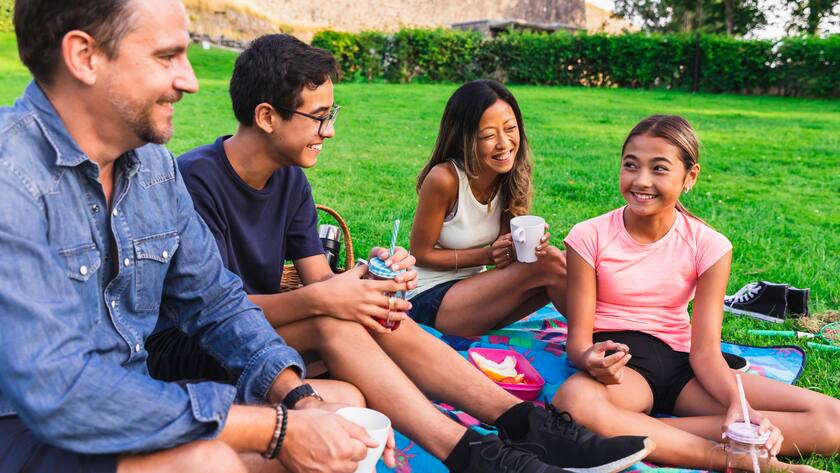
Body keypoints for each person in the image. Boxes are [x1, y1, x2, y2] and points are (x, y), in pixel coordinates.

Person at [146, 34, 656, 473]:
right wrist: (336, 301)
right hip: (188, 346)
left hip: (264, 337)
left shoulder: (291, 184)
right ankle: (473, 454)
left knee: (375, 314)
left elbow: (319, 283)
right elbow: (215, 313)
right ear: (267, 116)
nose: (330, 130)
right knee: (336, 322)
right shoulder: (196, 181)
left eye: (332, 114)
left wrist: (367, 282)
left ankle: (525, 424)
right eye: (320, 117)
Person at [0, 1, 387, 472]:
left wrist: (300, 401)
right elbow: (59, 389)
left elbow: (218, 304)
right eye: (167, 57)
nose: (190, 80)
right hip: (25, 429)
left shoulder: (153, 168)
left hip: (137, 404)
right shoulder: (11, 177)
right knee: (208, 461)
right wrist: (276, 428)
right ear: (84, 56)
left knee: (338, 420)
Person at [552, 115, 840, 472]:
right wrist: (590, 359)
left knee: (833, 420)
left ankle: (643, 434)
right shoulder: (588, 236)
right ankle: (734, 458)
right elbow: (578, 343)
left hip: (683, 363)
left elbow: (706, 352)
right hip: (624, 366)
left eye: (659, 168)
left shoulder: (710, 245)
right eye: (631, 165)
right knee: (573, 402)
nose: (641, 180)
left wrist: (739, 406)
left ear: (690, 177)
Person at [408, 80, 567, 337]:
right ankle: (593, 339)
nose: (504, 143)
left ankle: (608, 336)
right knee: (550, 263)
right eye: (488, 135)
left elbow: (508, 261)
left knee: (566, 261)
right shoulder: (445, 179)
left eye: (510, 129)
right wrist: (488, 256)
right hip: (429, 298)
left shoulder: (509, 177)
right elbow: (420, 253)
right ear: (464, 139)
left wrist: (525, 248)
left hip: (477, 295)